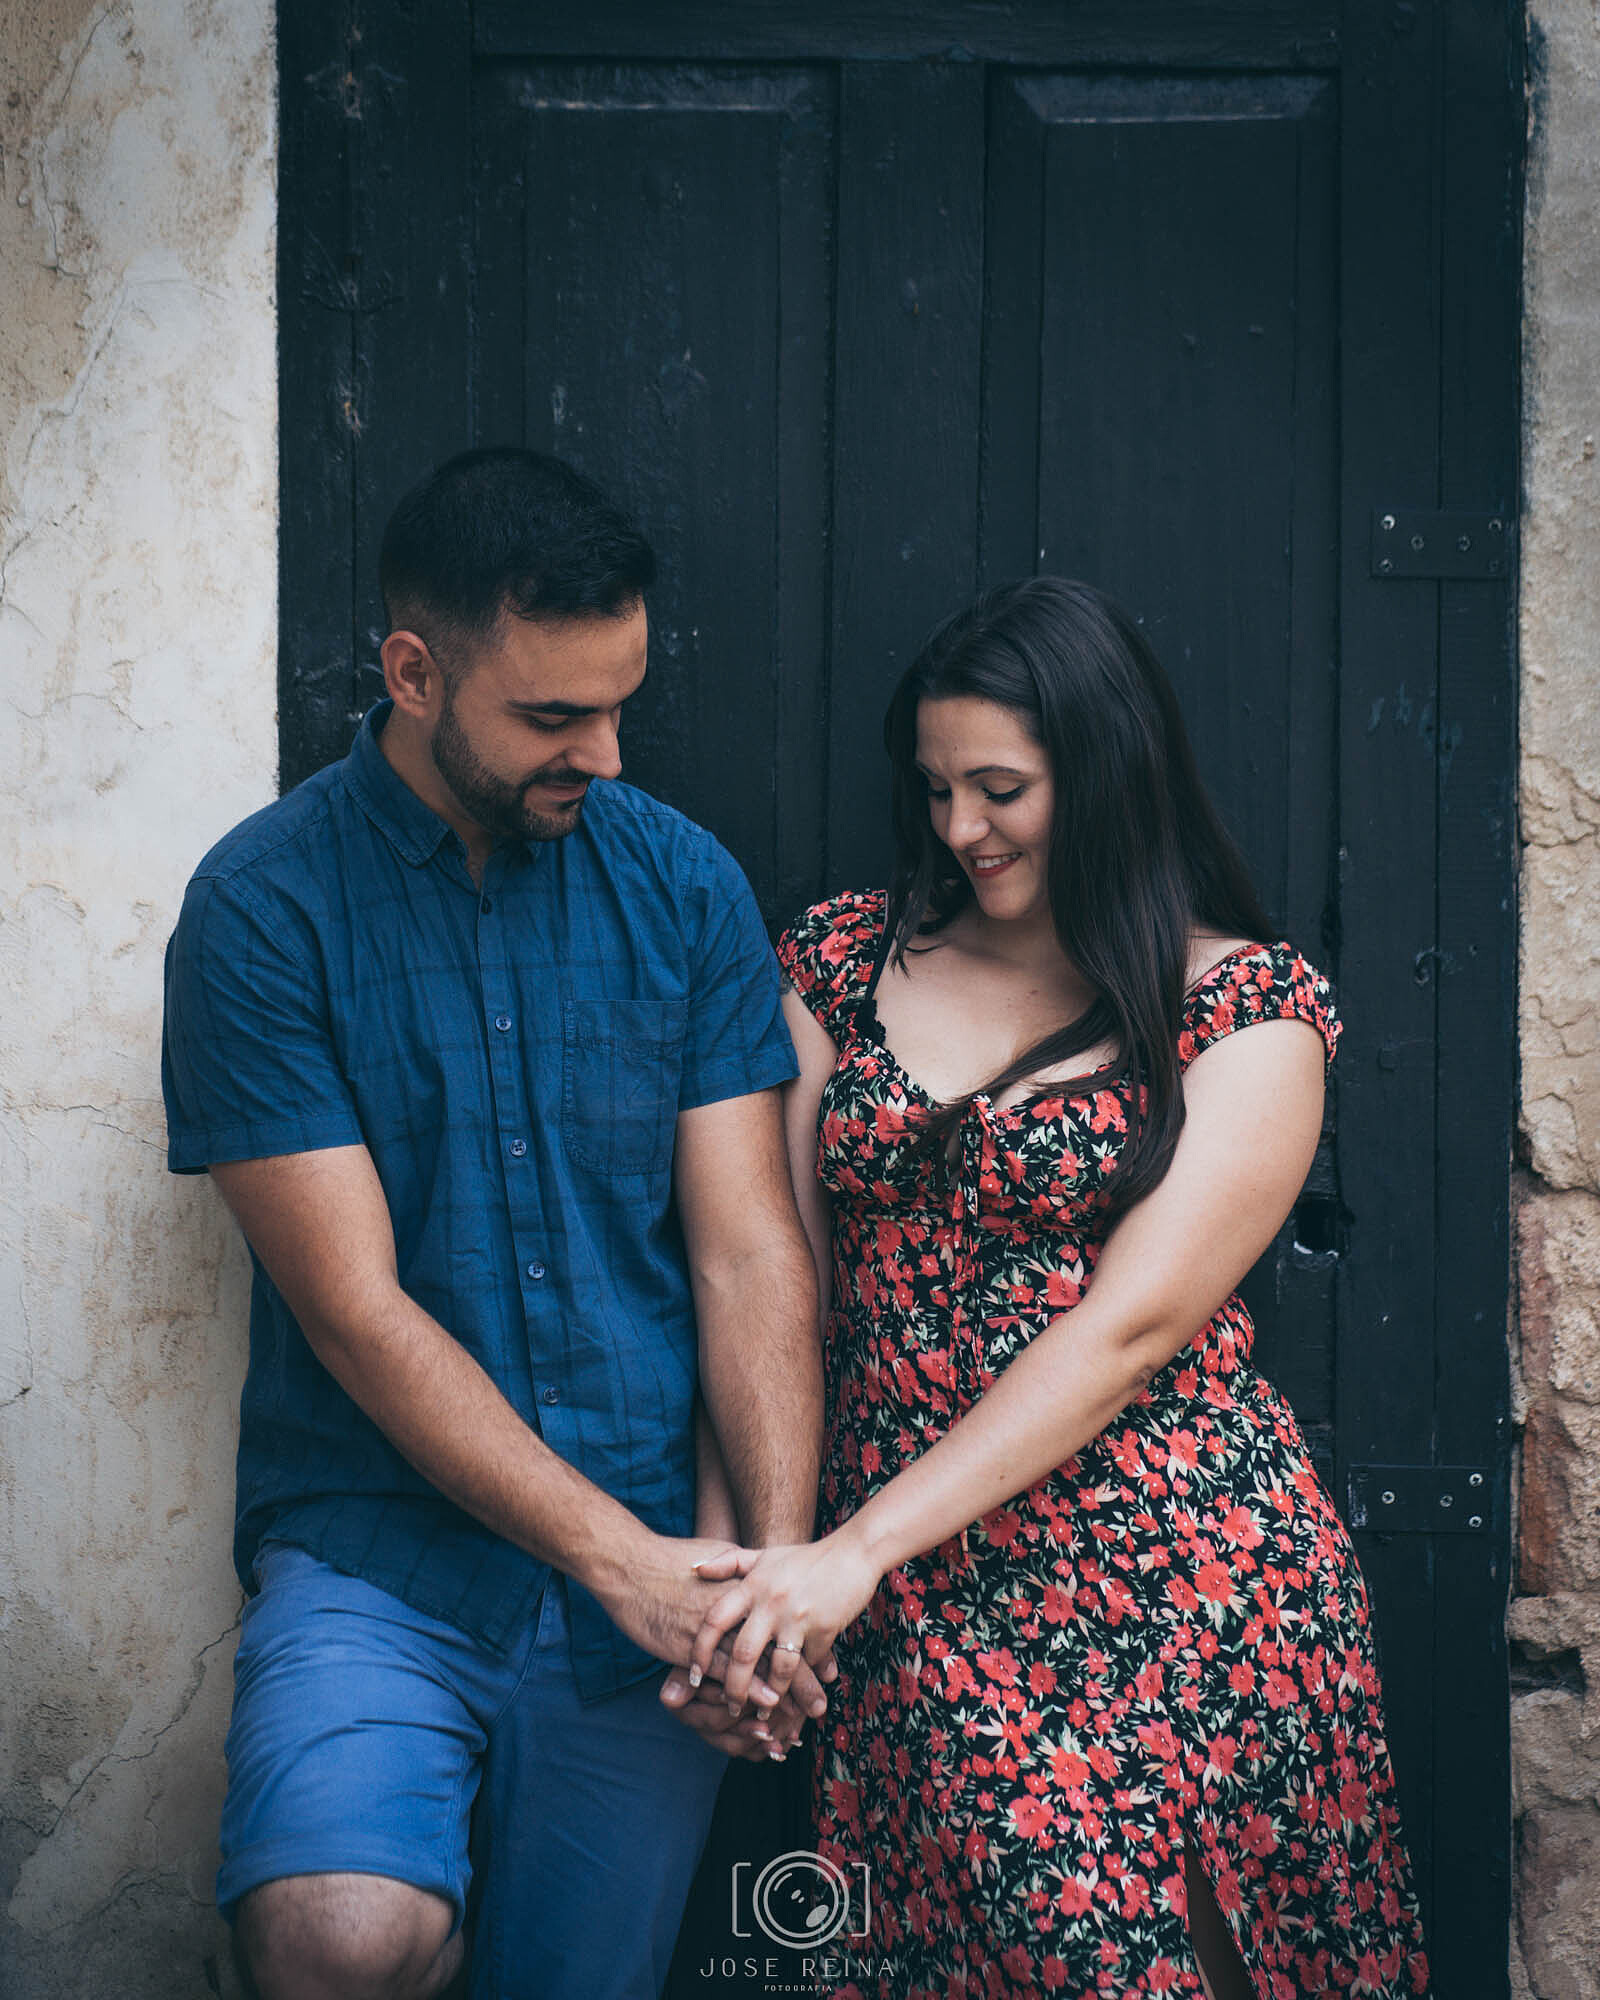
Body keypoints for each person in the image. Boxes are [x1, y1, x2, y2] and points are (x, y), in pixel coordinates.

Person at [690, 578, 1432, 1999]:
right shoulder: (841, 961)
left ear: (1103, 771)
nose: (960, 829)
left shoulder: (1248, 1012)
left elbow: (1132, 1328)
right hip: (917, 1590)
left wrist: (847, 1558)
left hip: (1184, 1570)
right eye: (935, 788)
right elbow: (764, 1276)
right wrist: (740, 1576)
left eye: (1000, 788)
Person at [161, 447, 826, 2000]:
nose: (600, 751)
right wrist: (620, 1564)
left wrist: (762, 1596)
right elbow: (357, 1310)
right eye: (549, 717)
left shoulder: (684, 886)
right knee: (334, 1941)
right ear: (411, 669)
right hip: (384, 1562)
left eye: (618, 704)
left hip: (665, 1572)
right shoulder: (263, 910)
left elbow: (746, 1256)